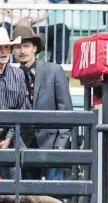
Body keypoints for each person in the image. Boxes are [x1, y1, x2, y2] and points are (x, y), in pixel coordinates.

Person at [11, 26, 72, 180]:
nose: (22, 51)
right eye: (18, 47)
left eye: (26, 46)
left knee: (56, 197)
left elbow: (66, 109)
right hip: (23, 146)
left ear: (35, 48)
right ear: (13, 51)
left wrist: (61, 144)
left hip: (52, 144)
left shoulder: (54, 70)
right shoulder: (10, 76)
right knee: (28, 198)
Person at [0, 27, 30, 180]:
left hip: (9, 136)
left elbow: (22, 108)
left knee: (13, 182)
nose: (3, 52)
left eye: (6, 47)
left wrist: (9, 138)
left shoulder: (18, 74)